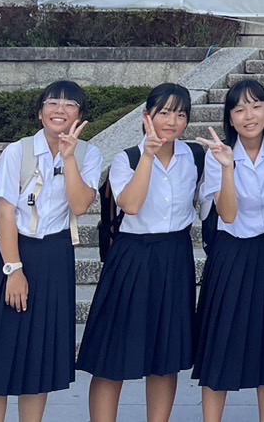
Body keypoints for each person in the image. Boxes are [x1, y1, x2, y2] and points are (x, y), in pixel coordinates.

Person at [0, 80, 102, 422]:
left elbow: (81, 206)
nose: (60, 110)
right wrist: (14, 269)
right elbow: (5, 212)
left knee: (37, 364)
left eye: (70, 105)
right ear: (40, 112)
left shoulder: (88, 155)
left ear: (80, 115)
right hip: (13, 254)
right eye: (52, 103)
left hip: (55, 257)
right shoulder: (18, 152)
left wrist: (68, 159)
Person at [78, 83, 207, 422]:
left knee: (167, 356)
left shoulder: (194, 157)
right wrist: (149, 156)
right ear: (147, 116)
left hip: (175, 256)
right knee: (112, 355)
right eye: (164, 112)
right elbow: (131, 205)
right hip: (132, 258)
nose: (172, 120)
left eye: (180, 114)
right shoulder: (127, 159)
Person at [193, 80, 264, 422]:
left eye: (255, 106)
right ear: (230, 119)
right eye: (239, 109)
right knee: (220, 340)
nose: (248, 115)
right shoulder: (218, 155)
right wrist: (226, 167)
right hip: (231, 254)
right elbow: (229, 214)